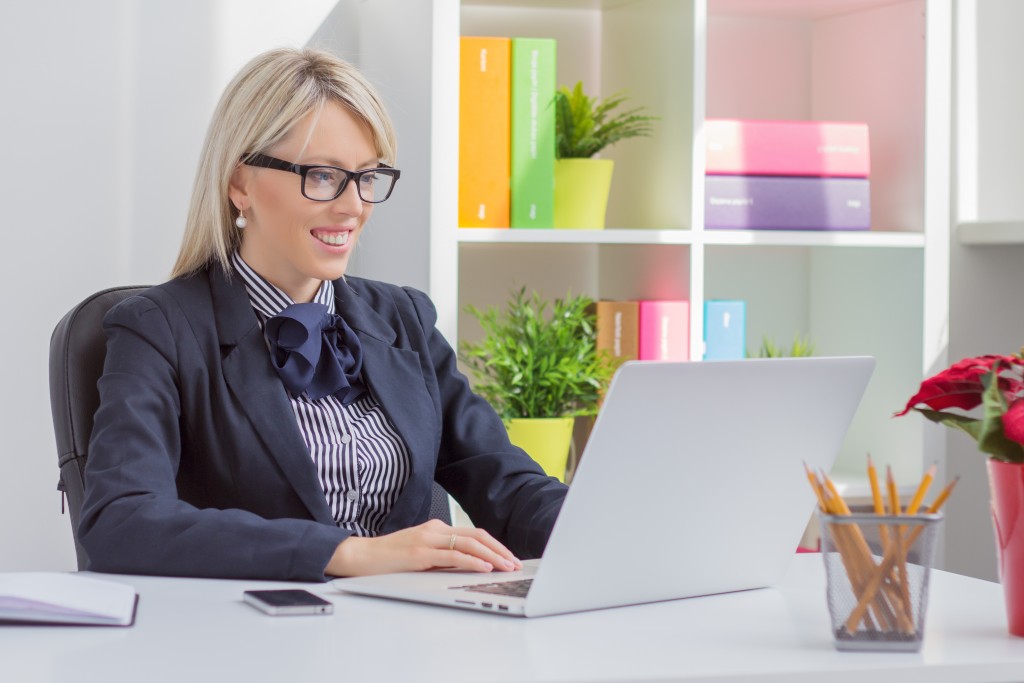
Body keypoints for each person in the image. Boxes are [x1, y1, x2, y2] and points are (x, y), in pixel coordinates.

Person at [78, 47, 568, 581]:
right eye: (322, 175)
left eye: (367, 177)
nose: (353, 206)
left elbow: (503, 481)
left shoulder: (403, 318)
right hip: (253, 643)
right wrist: (348, 553)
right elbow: (121, 522)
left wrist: (604, 527)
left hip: (409, 638)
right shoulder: (158, 329)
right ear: (240, 184)